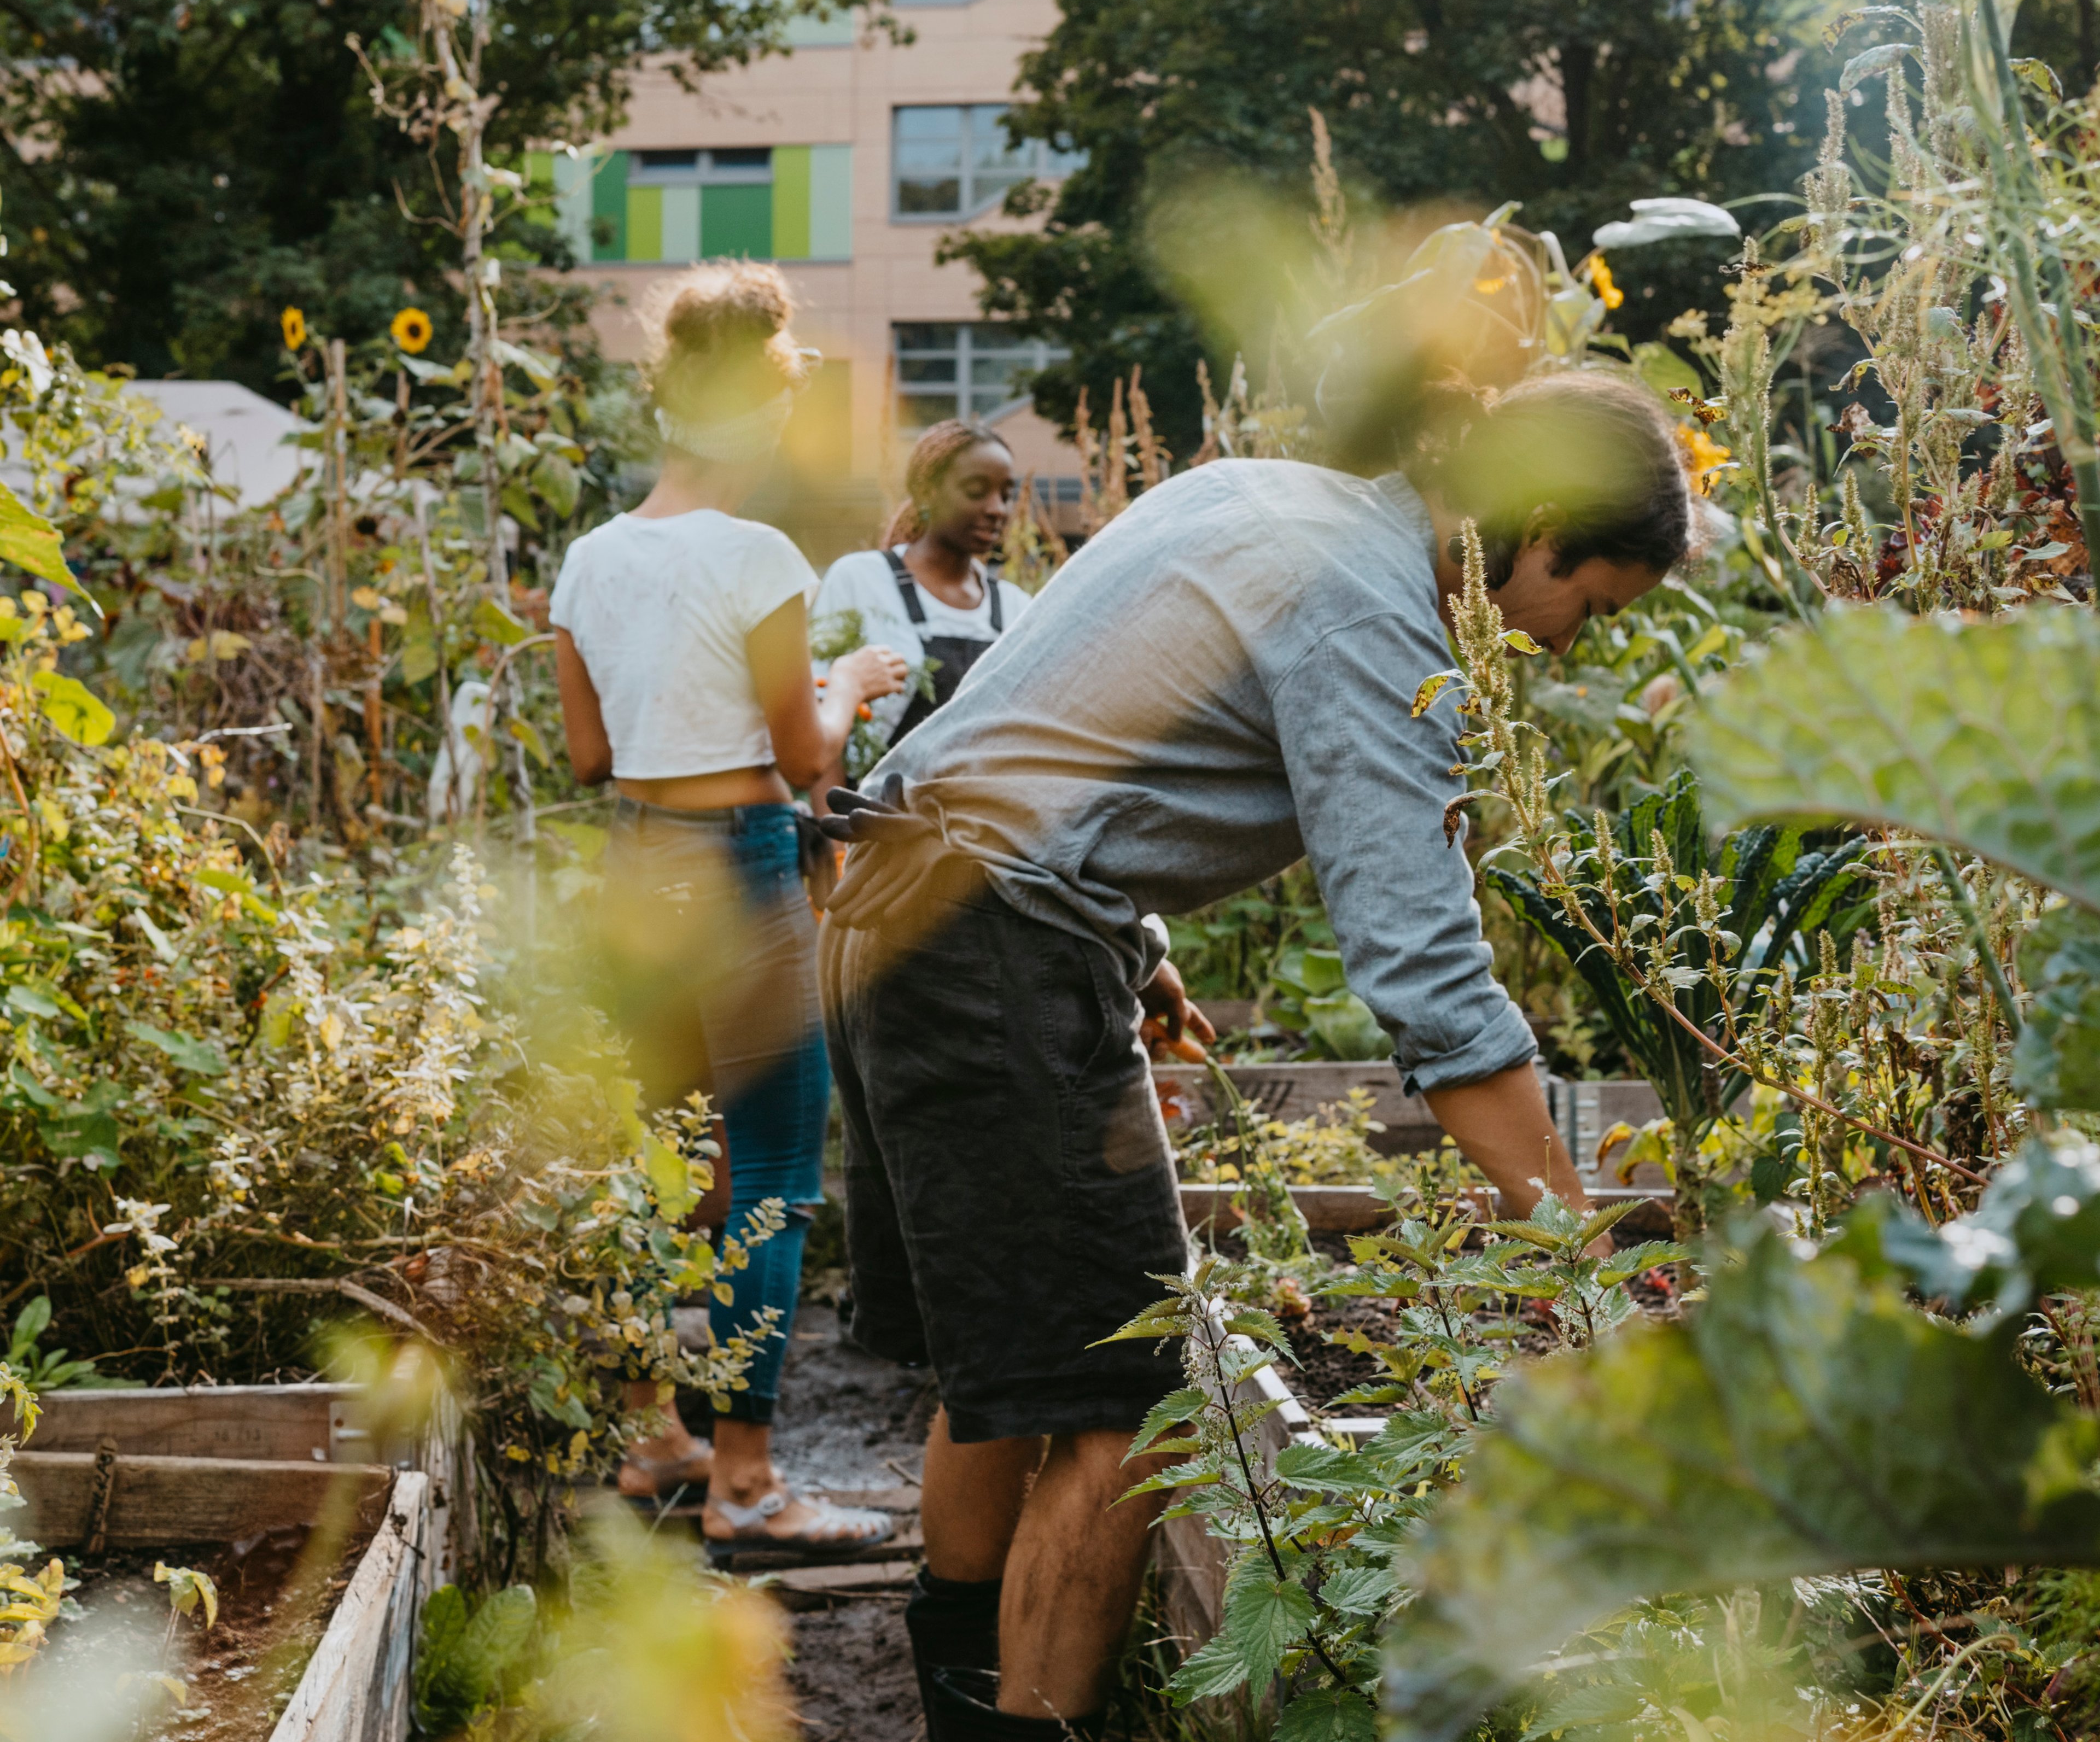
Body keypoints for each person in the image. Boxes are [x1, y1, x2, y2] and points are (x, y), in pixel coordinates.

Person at [816, 368, 1695, 1739]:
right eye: (1589, 607)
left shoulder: (1274, 498)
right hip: (994, 945)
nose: (1572, 645)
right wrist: (1578, 1265)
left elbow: (1053, 706)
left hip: (908, 902)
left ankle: (961, 1701)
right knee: (1130, 1398)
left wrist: (1137, 941)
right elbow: (1427, 978)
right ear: (1533, 522)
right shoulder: (1375, 618)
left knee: (1007, 1374)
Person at [550, 258, 907, 1561]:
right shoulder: (760, 554)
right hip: (742, 866)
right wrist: (852, 680)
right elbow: (808, 756)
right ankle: (747, 1483)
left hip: (635, 865)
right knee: (764, 1181)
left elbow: (590, 758)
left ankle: (656, 1432)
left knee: (662, 1172)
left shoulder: (588, 561)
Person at [810, 420, 1033, 804]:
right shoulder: (862, 580)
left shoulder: (1016, 608)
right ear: (927, 491)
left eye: (1006, 494)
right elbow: (820, 709)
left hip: (981, 831)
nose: (998, 509)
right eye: (976, 491)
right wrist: (834, 841)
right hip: (871, 823)